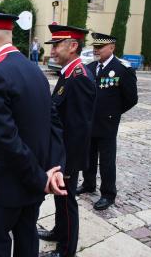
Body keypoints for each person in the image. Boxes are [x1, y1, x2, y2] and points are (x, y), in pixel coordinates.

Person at [0, 12, 67, 257]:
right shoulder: (34, 70)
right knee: (27, 241)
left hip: (5, 186)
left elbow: (5, 138)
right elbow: (54, 124)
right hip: (35, 185)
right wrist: (53, 169)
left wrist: (40, 177)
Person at [38, 24, 96, 257]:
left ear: (73, 46)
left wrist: (68, 163)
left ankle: (66, 249)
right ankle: (59, 232)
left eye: (57, 45)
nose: (52, 50)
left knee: (67, 200)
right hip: (63, 153)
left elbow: (80, 127)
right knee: (60, 199)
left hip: (70, 156)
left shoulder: (79, 77)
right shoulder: (69, 74)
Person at [76, 32, 138, 211]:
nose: (96, 50)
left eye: (100, 47)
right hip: (90, 122)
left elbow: (131, 98)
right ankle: (88, 184)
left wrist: (113, 113)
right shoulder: (91, 66)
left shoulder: (122, 68)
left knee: (106, 160)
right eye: (95, 47)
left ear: (112, 48)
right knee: (88, 155)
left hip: (108, 123)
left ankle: (108, 193)